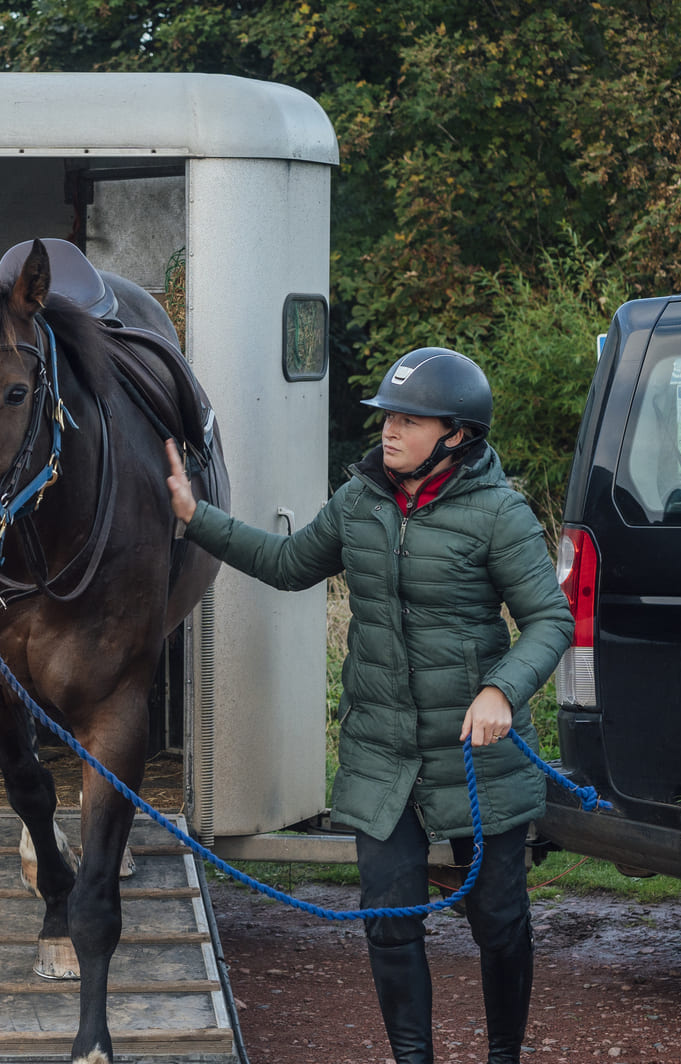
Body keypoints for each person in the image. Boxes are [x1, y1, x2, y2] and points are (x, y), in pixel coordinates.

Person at [163, 346, 572, 1064]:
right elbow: (290, 565)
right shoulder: (360, 500)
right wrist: (198, 519)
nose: (389, 431)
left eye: (409, 421)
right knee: (387, 924)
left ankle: (504, 1056)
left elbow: (549, 620)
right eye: (387, 417)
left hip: (478, 755)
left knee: (501, 924)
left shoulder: (500, 514)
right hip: (381, 756)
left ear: (458, 435)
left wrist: (501, 689)